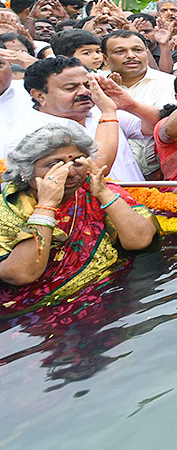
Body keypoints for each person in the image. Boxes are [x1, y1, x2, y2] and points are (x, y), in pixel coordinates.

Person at [0, 124, 157, 315]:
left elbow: (140, 241)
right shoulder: (9, 207)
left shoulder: (96, 190)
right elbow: (21, 274)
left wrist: (104, 194)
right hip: (30, 314)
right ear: (26, 172)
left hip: (106, 297)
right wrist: (47, 205)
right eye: (54, 165)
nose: (71, 172)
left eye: (77, 161)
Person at [24, 57, 151, 183]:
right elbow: (96, 169)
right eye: (70, 88)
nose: (84, 92)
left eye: (87, 85)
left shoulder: (98, 111)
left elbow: (157, 128)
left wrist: (131, 105)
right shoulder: (32, 132)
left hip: (137, 200)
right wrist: (108, 113)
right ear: (39, 95)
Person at [103, 30, 175, 177]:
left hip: (158, 174)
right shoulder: (94, 85)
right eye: (120, 51)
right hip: (110, 175)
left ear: (146, 53)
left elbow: (170, 127)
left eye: (137, 50)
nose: (130, 56)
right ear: (105, 58)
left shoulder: (169, 83)